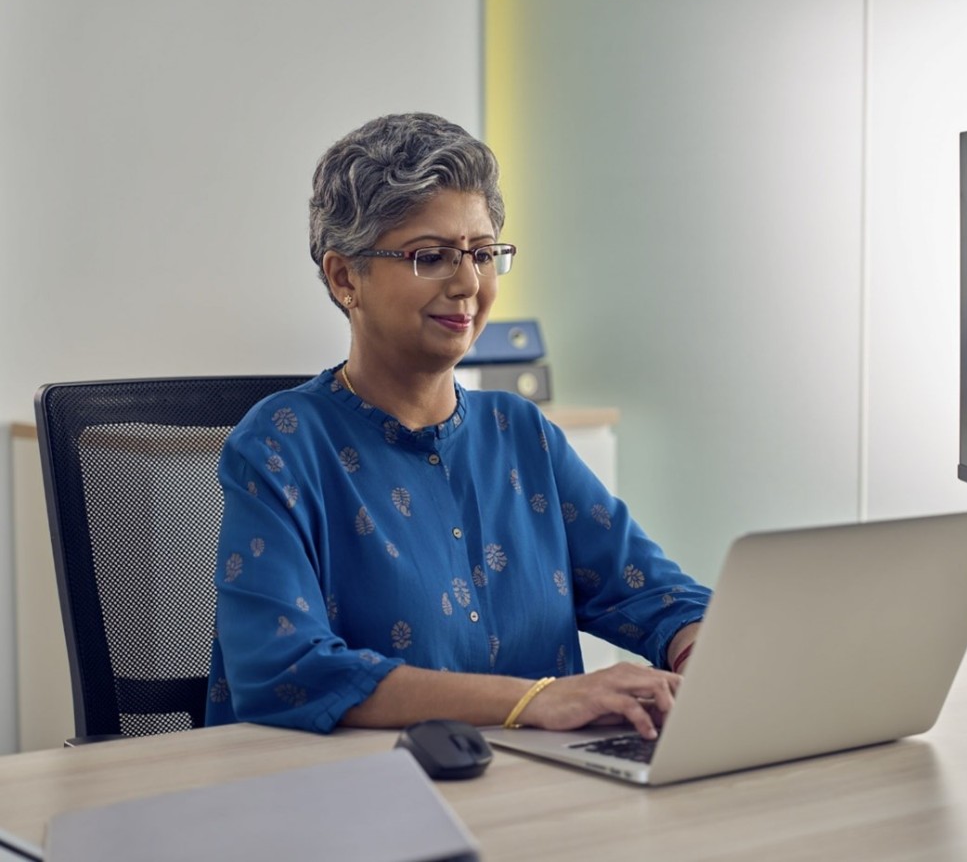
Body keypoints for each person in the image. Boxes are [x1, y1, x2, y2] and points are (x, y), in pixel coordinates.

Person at [205, 113, 711, 740]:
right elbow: (285, 671)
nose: (469, 282)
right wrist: (534, 701)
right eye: (431, 257)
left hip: (541, 786)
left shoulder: (522, 434)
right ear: (344, 277)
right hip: (356, 792)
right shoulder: (280, 446)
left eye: (483, 254)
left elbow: (658, 597)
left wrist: (700, 656)